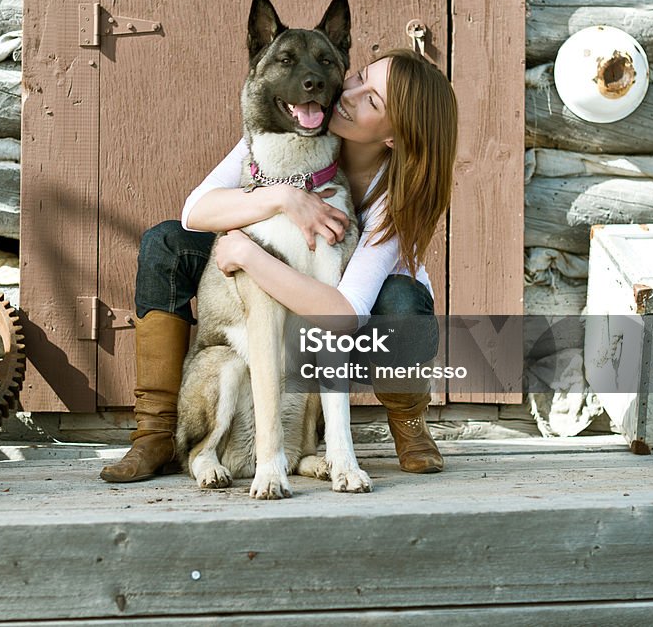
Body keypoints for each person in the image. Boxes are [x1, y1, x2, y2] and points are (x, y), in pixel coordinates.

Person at [100, 48, 458, 483]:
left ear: (394, 137)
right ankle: (155, 430)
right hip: (292, 297)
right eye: (359, 76)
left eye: (372, 101)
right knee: (167, 242)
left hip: (363, 321)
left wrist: (249, 256)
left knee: (401, 302)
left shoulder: (395, 200)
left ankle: (408, 420)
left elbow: (344, 315)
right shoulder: (302, 118)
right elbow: (196, 209)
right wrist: (285, 196)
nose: (349, 94)